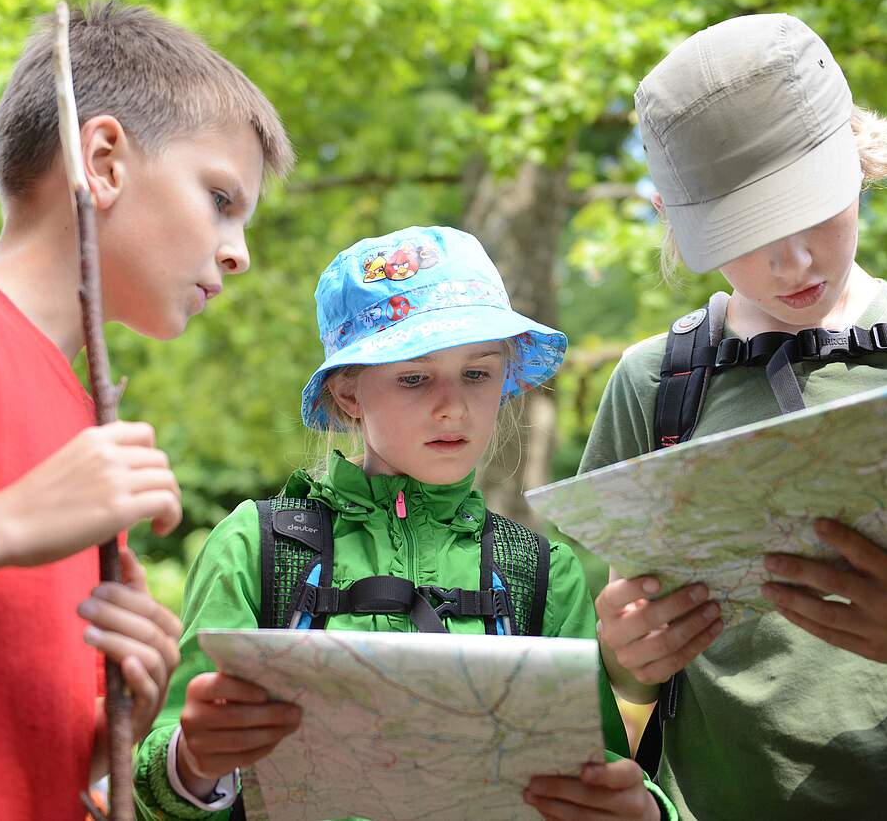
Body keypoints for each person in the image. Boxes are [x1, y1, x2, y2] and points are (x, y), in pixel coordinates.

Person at [0, 0, 294, 819]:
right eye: (221, 199)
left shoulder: (89, 436)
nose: (239, 252)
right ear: (104, 160)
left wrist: (117, 715)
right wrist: (5, 520)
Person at [586, 13, 887, 819]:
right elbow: (634, 673)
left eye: (815, 213)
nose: (794, 263)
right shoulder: (655, 385)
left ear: (858, 161)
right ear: (675, 217)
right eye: (751, 234)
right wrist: (625, 656)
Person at [134, 225, 676, 820]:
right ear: (348, 393)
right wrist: (193, 762)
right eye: (414, 377)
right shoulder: (258, 546)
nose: (453, 405)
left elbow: (595, 767)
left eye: (478, 373)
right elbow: (161, 786)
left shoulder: (542, 573)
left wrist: (643, 810)